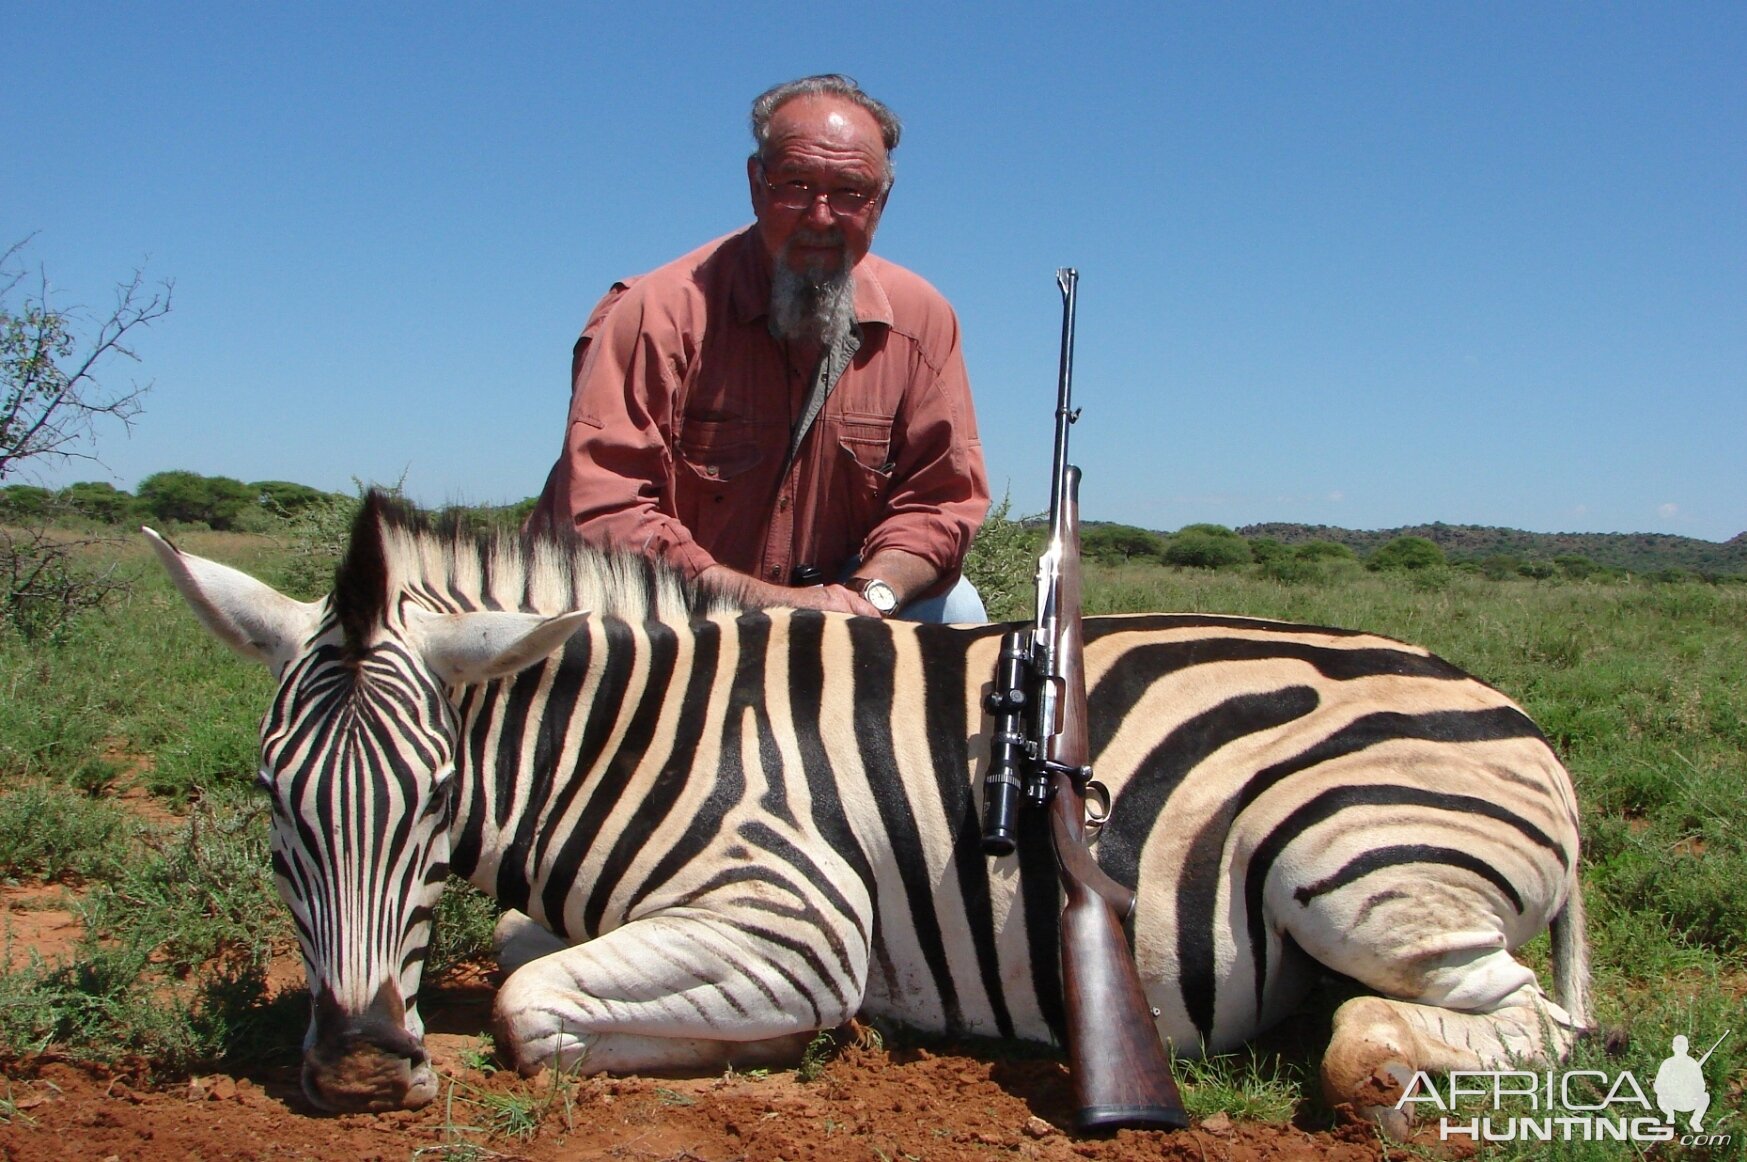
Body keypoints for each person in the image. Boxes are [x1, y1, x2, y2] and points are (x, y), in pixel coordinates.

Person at [528, 75, 989, 622]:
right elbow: (606, 513)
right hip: (676, 608)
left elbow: (939, 502)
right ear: (755, 184)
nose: (820, 216)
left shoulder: (922, 321)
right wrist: (779, 608)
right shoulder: (657, 313)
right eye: (794, 185)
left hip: (842, 607)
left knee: (956, 608)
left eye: (849, 193)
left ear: (881, 202)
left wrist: (872, 594)